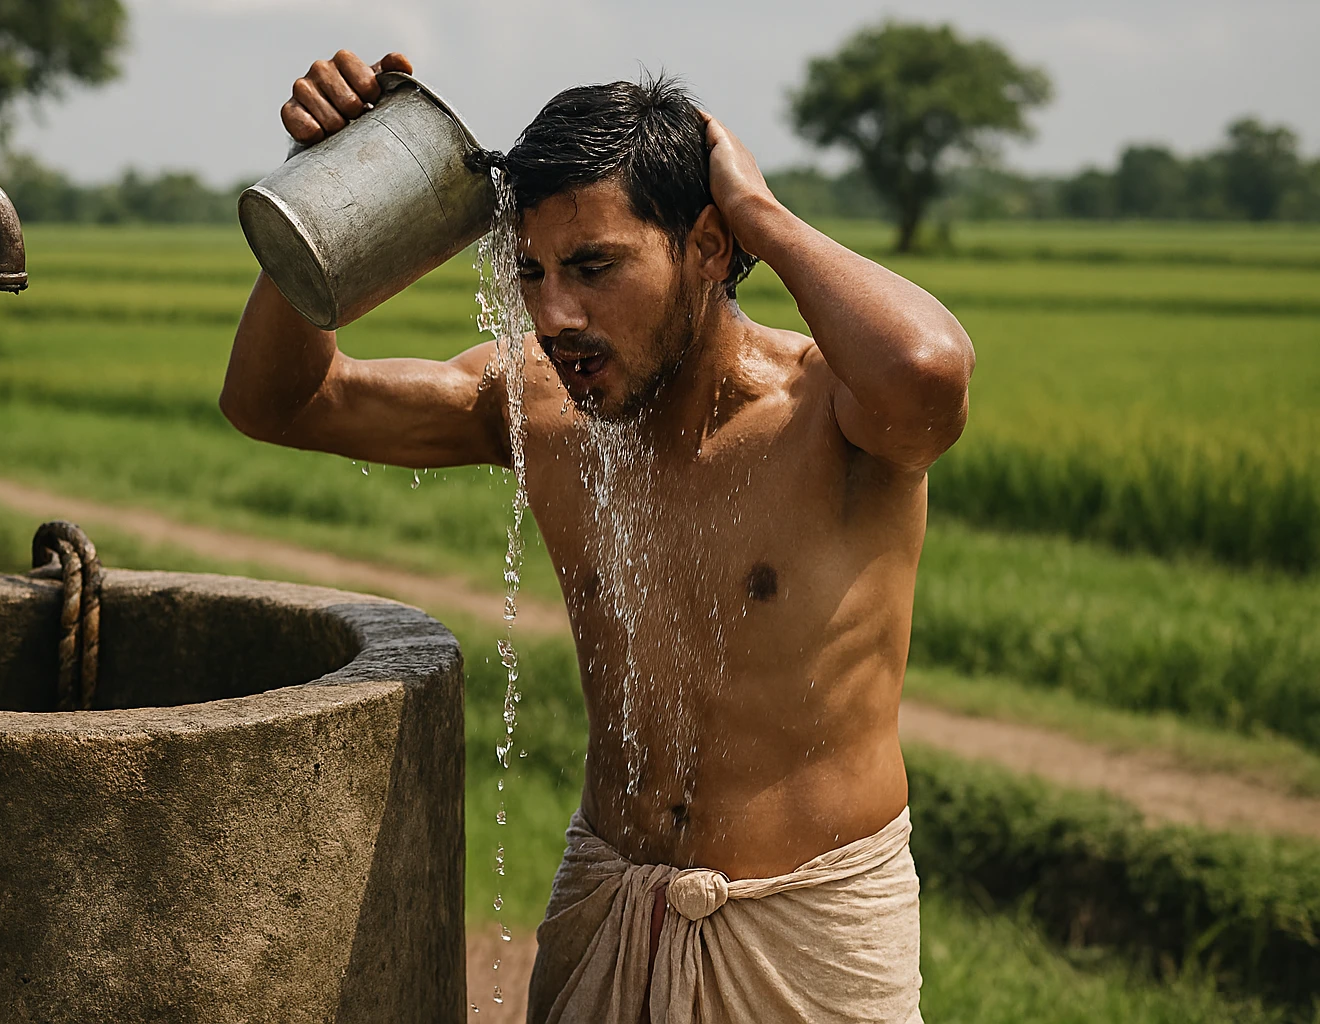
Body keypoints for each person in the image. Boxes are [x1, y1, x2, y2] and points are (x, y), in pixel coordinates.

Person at [222, 49, 974, 1024]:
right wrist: (329, 194)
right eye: (528, 271)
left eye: (594, 267)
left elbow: (928, 372)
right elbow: (280, 400)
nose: (554, 314)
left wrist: (763, 215)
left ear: (708, 247)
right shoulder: (538, 406)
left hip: (812, 924)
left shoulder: (832, 410)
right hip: (612, 894)